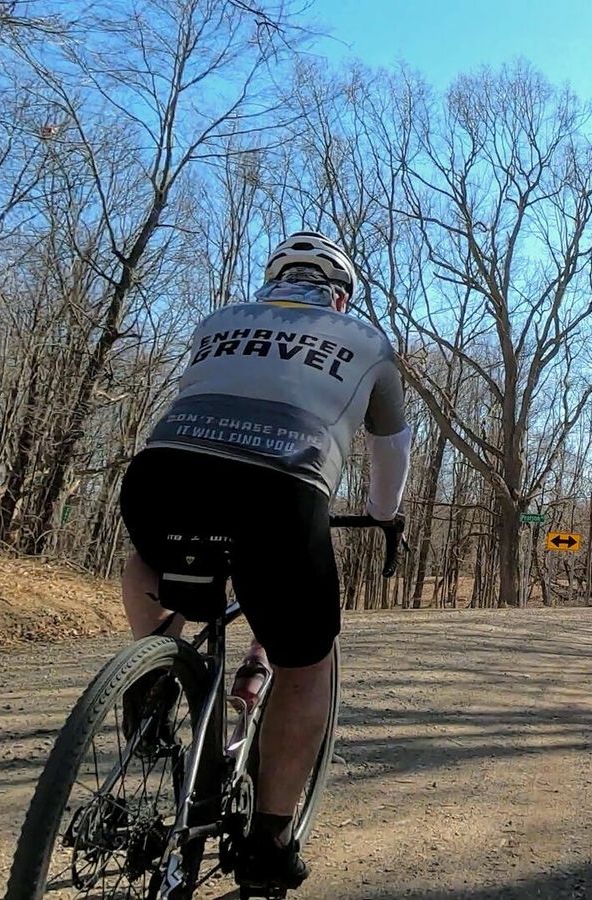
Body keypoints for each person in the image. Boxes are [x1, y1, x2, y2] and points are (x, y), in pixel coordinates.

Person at [116, 231, 412, 892]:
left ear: (271, 283)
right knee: (308, 665)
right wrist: (384, 514)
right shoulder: (367, 342)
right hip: (281, 494)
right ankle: (269, 842)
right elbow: (391, 448)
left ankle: (154, 673)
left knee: (148, 561)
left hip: (161, 477)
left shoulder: (218, 322)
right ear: (340, 297)